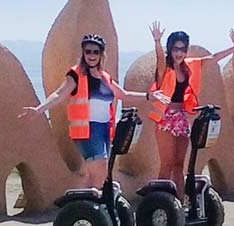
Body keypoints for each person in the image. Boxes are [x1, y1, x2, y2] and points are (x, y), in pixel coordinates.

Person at [20, 34, 168, 187]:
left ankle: (81, 206)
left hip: (105, 130)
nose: (91, 55)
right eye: (88, 51)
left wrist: (150, 96)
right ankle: (96, 207)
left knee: (95, 176)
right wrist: (39, 109)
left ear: (101, 54)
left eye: (95, 52)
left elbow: (123, 94)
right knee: (100, 171)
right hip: (87, 130)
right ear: (83, 53)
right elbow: (59, 94)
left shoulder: (105, 77)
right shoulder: (76, 75)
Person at [148, 22, 234, 200]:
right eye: (175, 49)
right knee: (166, 164)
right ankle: (160, 201)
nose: (179, 53)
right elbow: (160, 58)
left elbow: (213, 58)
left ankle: (181, 200)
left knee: (179, 165)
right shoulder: (165, 67)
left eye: (182, 49)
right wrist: (157, 41)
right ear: (170, 49)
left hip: (182, 118)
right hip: (165, 118)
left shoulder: (189, 66)